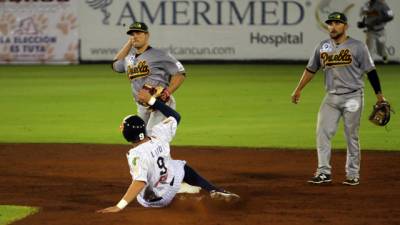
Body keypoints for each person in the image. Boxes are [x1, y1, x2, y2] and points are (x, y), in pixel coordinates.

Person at [97, 89, 239, 213]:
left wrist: (119, 206)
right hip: (169, 189)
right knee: (180, 166)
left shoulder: (135, 155)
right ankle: (212, 190)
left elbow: (139, 182)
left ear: (127, 134)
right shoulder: (159, 135)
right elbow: (176, 117)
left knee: (143, 178)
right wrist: (152, 100)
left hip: (152, 202)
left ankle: (182, 196)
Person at [291, 12, 387, 186]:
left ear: (345, 26)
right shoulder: (322, 46)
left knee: (351, 135)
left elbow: (371, 71)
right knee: (322, 133)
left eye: (337, 23)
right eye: (330, 23)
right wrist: (298, 89)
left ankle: (352, 174)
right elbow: (311, 69)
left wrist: (380, 95)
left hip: (353, 97)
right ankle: (323, 172)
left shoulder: (358, 47)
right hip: (331, 97)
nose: (333, 27)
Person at [112, 21, 186, 135]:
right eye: (132, 34)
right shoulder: (129, 59)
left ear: (147, 35)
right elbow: (115, 65)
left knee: (153, 135)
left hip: (160, 102)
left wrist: (167, 93)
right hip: (141, 106)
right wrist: (130, 42)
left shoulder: (160, 54)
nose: (135, 36)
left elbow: (180, 73)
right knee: (140, 136)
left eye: (138, 33)